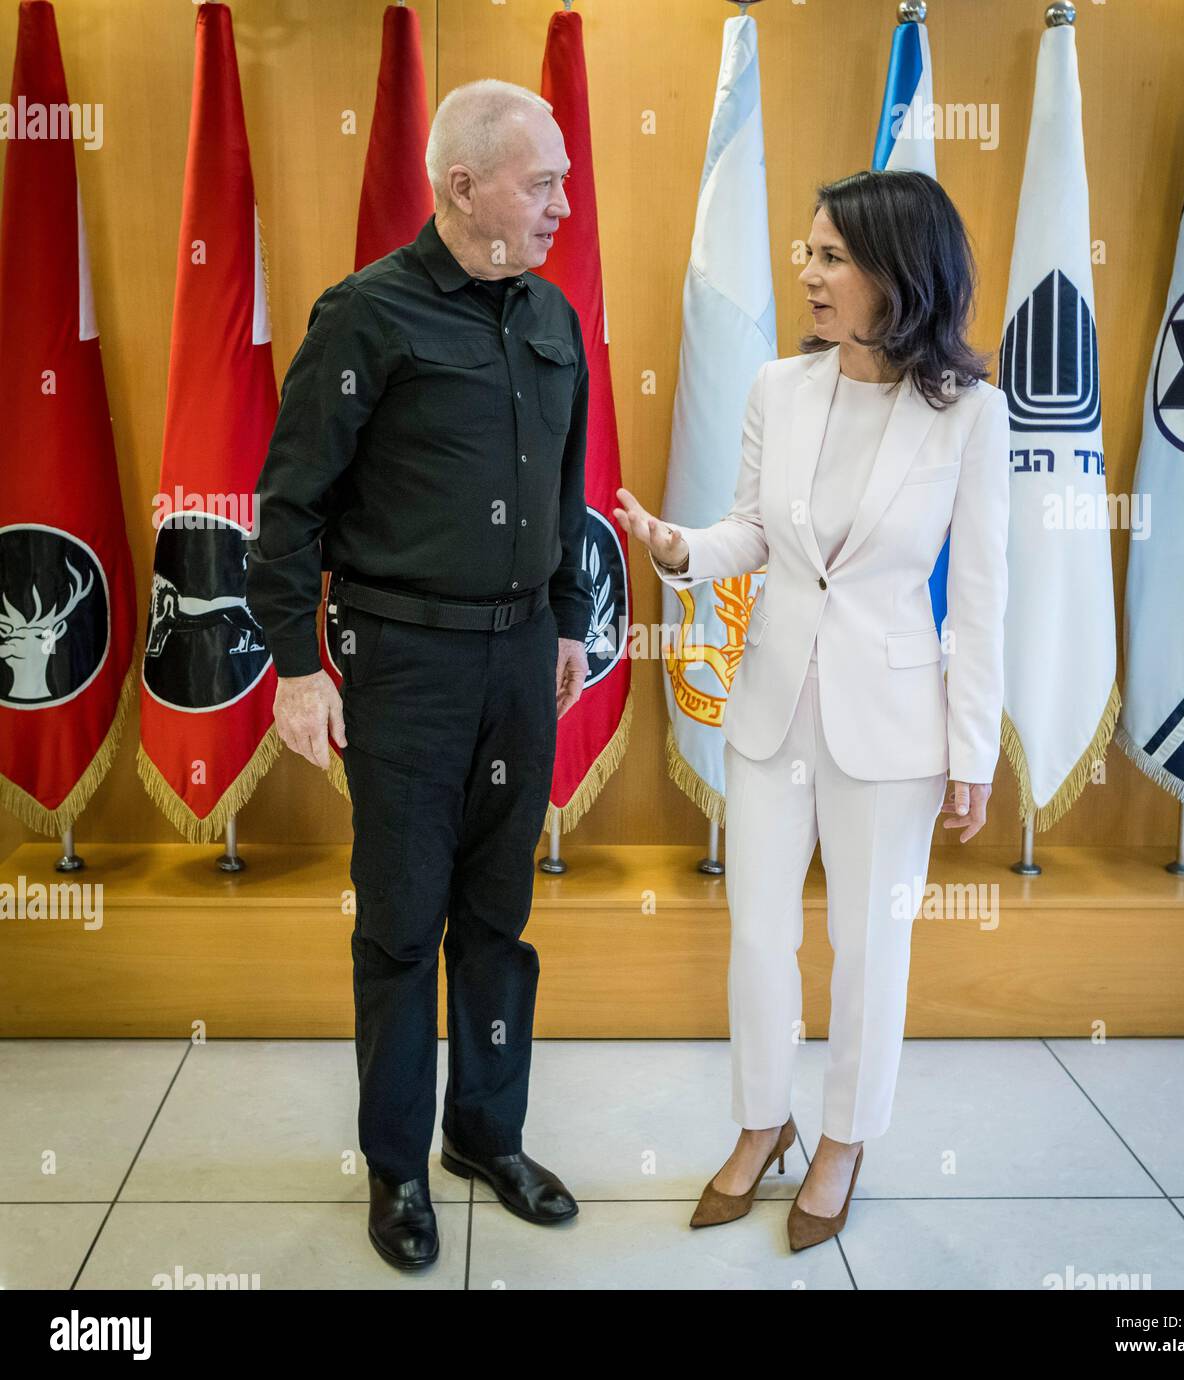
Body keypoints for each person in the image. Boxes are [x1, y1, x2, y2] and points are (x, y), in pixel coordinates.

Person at [614, 169, 1011, 1252]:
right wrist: (680, 550)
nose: (807, 271)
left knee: (867, 945)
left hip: (893, 723)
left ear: (896, 270)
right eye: (805, 251)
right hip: (771, 705)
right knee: (758, 934)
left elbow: (979, 598)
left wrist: (971, 747)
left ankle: (844, 1139)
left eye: (831, 255)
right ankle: (761, 1122)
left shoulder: (970, 413)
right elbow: (750, 531)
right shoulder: (775, 389)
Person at [245, 79, 593, 1270]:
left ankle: (485, 1135)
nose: (563, 201)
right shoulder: (367, 318)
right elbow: (288, 511)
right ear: (462, 187)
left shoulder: (553, 318)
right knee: (401, 926)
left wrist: (565, 620)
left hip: (515, 662)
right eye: (540, 181)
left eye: (560, 178)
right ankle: (396, 1167)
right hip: (401, 663)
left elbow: (562, 493)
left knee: (498, 917)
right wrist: (298, 666)